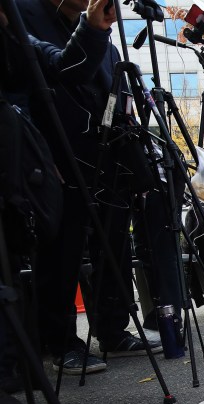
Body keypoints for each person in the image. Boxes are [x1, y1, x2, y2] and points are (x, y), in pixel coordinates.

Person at [17, 0, 163, 374]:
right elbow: (36, 81)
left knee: (114, 245)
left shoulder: (108, 41)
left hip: (108, 160)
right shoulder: (24, 14)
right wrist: (35, 154)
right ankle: (60, 341)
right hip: (57, 158)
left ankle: (113, 329)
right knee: (61, 253)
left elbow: (118, 97)